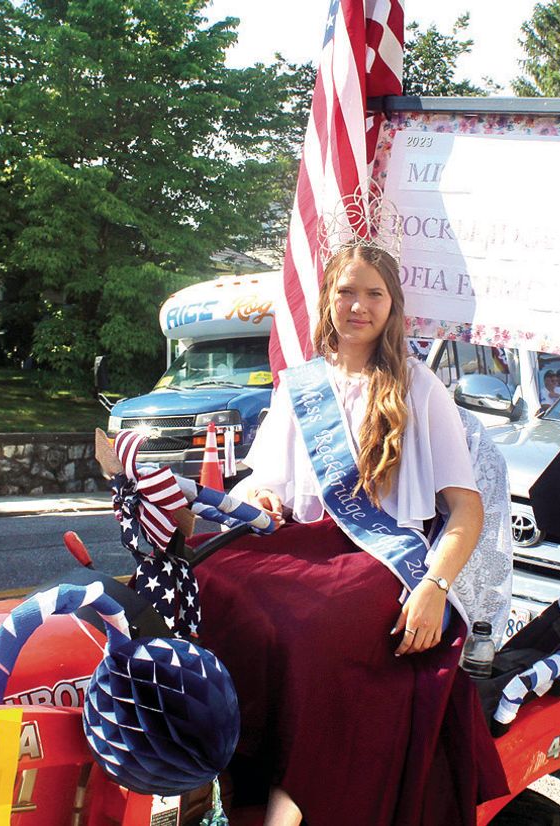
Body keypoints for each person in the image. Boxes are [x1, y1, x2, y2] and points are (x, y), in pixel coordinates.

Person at [196, 243, 509, 826]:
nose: (358, 305)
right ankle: (215, 768)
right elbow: (266, 483)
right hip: (309, 549)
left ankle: (287, 807)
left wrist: (435, 587)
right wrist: (261, 496)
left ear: (393, 307)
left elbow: (465, 513)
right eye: (347, 291)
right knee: (208, 576)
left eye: (374, 294)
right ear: (328, 299)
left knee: (311, 632)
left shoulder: (418, 388)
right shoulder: (301, 387)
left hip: (387, 563)